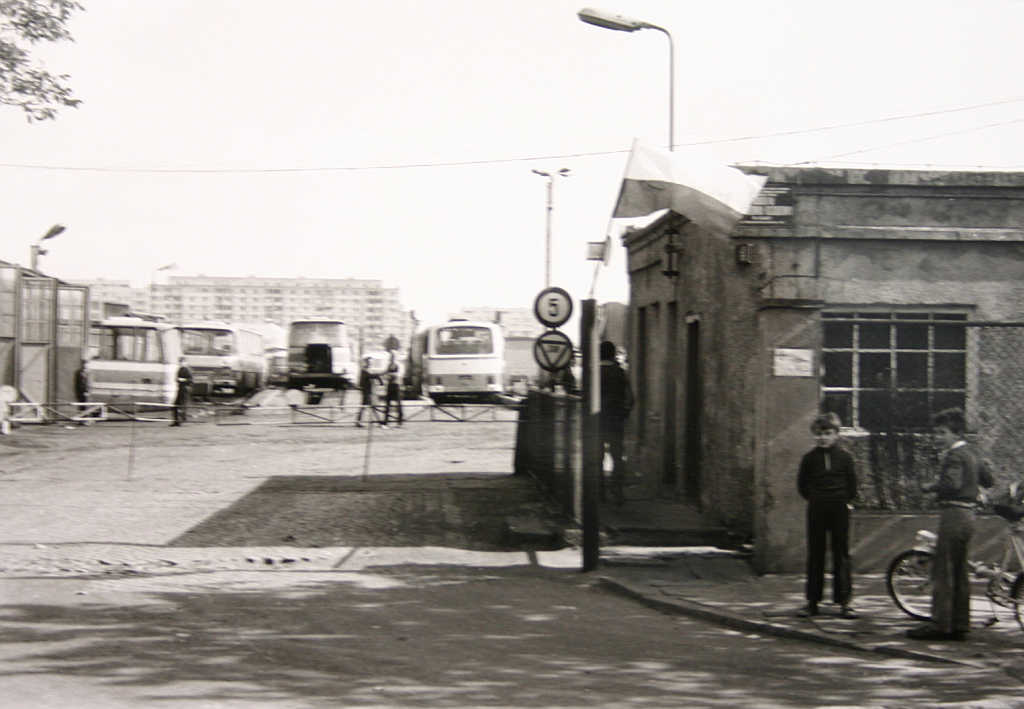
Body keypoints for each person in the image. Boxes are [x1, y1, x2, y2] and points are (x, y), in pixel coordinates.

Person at [907, 408, 982, 641]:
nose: (937, 437)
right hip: (969, 516)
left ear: (956, 434)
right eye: (936, 433)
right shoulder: (972, 453)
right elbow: (988, 478)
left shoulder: (954, 455)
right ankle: (960, 624)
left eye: (942, 433)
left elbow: (951, 483)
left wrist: (929, 486)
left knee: (944, 570)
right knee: (959, 571)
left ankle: (940, 625)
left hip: (953, 514)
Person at [797, 412, 858, 619]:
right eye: (819, 433)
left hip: (839, 509)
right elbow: (802, 486)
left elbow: (852, 485)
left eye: (828, 433)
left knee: (841, 554)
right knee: (816, 553)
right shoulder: (808, 459)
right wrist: (816, 498)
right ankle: (812, 601)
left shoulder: (846, 457)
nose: (823, 437)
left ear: (836, 434)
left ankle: (845, 603)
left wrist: (843, 500)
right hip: (817, 509)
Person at [599, 340, 633, 505]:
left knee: (596, 457)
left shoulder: (594, 372)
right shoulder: (619, 372)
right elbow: (630, 397)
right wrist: (623, 413)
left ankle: (599, 493)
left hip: (596, 421)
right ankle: (617, 492)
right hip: (615, 420)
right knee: (617, 457)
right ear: (612, 355)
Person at [354, 356, 379, 428]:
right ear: (367, 362)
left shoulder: (369, 369)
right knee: (370, 407)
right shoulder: (364, 370)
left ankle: (358, 421)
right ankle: (379, 422)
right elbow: (369, 376)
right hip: (366, 391)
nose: (371, 363)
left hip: (370, 391)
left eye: (371, 362)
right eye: (369, 361)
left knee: (364, 407)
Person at [382, 350, 403, 428]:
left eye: (393, 356)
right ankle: (385, 422)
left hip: (397, 386)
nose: (392, 358)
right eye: (391, 356)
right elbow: (384, 373)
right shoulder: (389, 365)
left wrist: (389, 374)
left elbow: (399, 375)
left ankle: (399, 422)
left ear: (396, 357)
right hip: (390, 386)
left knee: (398, 404)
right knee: (387, 404)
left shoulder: (399, 365)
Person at [171, 356, 193, 427]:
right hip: (180, 389)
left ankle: (181, 420)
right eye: (180, 362)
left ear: (185, 362)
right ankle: (176, 421)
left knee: (182, 405)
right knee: (175, 405)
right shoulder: (179, 369)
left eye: (182, 362)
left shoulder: (187, 370)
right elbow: (176, 379)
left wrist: (183, 380)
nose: (181, 363)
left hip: (185, 389)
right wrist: (178, 380)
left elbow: (191, 380)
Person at [73, 357, 91, 424]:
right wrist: (77, 393)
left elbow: (90, 383)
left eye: (86, 363)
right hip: (80, 392)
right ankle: (80, 420)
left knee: (86, 406)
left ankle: (86, 420)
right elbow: (76, 383)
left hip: (86, 393)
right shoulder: (78, 372)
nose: (84, 365)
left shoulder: (89, 372)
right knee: (80, 407)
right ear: (81, 364)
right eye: (83, 363)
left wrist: (88, 391)